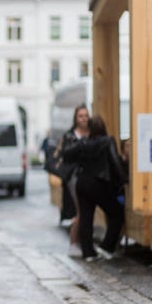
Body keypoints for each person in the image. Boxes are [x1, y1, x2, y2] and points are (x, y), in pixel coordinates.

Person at [64, 115, 126, 261]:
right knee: (116, 213)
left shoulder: (83, 142)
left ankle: (88, 253)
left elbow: (67, 154)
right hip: (99, 183)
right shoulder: (108, 141)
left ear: (90, 128)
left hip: (82, 183)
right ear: (103, 127)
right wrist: (122, 180)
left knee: (86, 218)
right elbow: (115, 162)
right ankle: (107, 247)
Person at [59, 105, 90, 256]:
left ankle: (83, 243)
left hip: (90, 176)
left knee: (85, 210)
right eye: (80, 116)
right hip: (75, 177)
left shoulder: (92, 133)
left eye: (86, 115)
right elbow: (65, 154)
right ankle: (74, 243)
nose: (84, 119)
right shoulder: (70, 136)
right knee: (80, 210)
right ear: (76, 118)